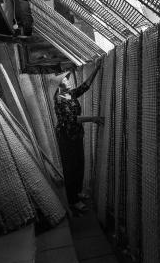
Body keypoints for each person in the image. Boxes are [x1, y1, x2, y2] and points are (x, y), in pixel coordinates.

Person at [53, 59, 104, 214]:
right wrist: (93, 119)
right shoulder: (60, 98)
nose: (68, 80)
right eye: (64, 79)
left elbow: (84, 87)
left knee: (80, 164)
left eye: (67, 78)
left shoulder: (67, 95)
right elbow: (72, 119)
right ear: (59, 85)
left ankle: (77, 192)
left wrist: (96, 69)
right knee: (71, 168)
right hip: (66, 137)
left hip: (75, 135)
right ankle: (73, 201)